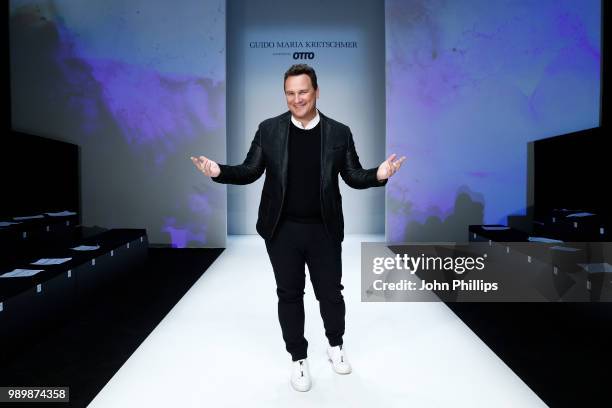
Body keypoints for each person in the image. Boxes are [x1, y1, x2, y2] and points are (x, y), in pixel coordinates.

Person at [191, 64, 405, 392]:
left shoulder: (339, 132)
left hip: (324, 229)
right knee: (289, 295)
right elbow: (250, 170)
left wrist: (379, 173)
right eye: (290, 93)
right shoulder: (269, 130)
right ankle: (298, 359)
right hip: (282, 230)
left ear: (316, 92)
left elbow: (353, 175)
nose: (297, 99)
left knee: (331, 294)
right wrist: (217, 169)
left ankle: (336, 346)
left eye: (303, 91)